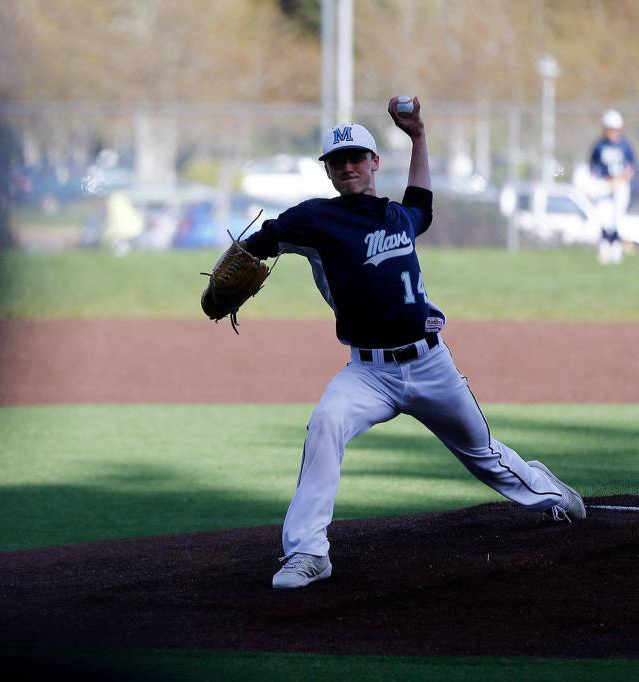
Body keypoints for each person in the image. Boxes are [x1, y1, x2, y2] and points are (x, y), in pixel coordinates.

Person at [238, 97, 587, 590]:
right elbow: (254, 245)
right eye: (338, 162)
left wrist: (419, 136)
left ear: (374, 163)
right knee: (326, 424)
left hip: (430, 366)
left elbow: (422, 199)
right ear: (329, 171)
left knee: (483, 455)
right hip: (367, 373)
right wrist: (229, 267)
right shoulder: (312, 220)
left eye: (357, 157)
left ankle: (551, 492)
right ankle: (308, 553)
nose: (349, 167)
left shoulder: (400, 217)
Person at [589, 108, 635, 264]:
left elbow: (631, 167)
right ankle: (604, 247)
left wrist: (622, 179)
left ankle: (615, 248)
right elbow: (593, 166)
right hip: (604, 183)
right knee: (604, 216)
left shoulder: (625, 145)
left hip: (620, 184)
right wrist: (602, 181)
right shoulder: (599, 145)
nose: (613, 132)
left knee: (617, 217)